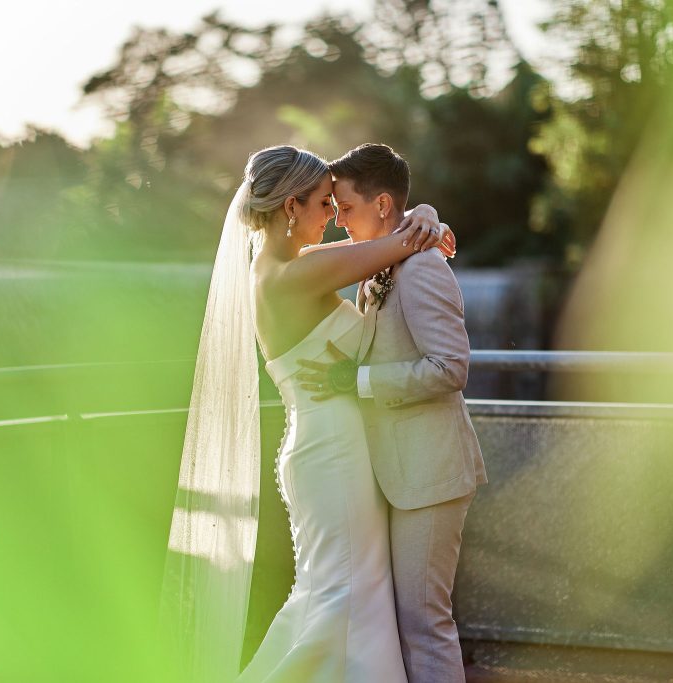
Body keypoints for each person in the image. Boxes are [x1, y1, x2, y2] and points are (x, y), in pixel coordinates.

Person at [162, 144, 451, 683]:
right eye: (324, 203)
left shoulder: (278, 270)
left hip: (323, 445)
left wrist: (427, 221)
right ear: (292, 207)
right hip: (333, 453)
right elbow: (403, 240)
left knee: (337, 593)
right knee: (347, 595)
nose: (335, 217)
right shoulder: (296, 275)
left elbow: (399, 239)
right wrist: (429, 221)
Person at [298, 143, 487, 683]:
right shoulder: (384, 262)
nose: (340, 223)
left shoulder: (423, 268)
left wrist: (354, 381)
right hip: (392, 469)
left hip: (429, 473)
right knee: (404, 621)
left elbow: (451, 367)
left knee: (425, 622)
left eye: (347, 209)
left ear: (383, 206)